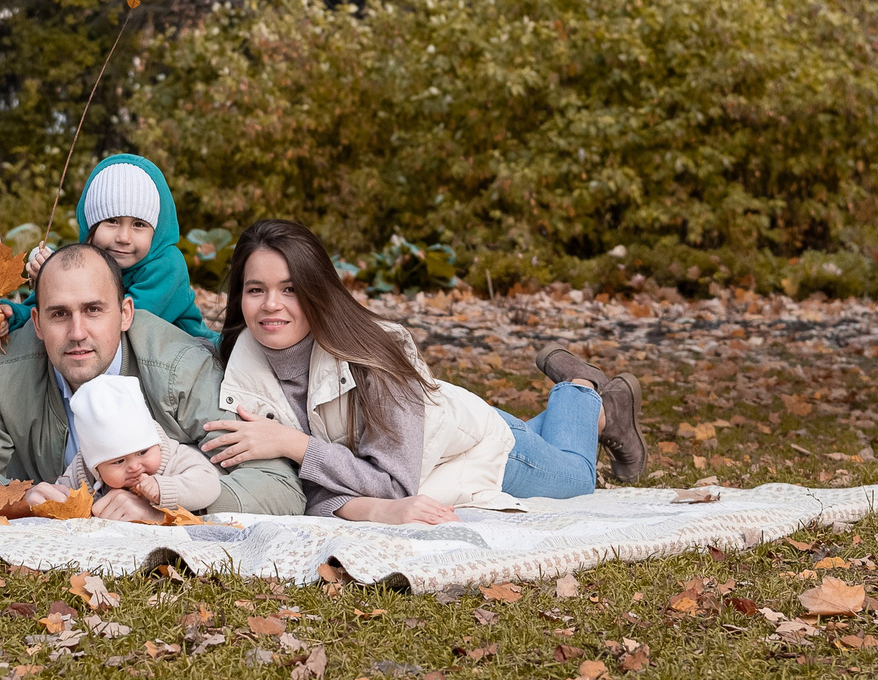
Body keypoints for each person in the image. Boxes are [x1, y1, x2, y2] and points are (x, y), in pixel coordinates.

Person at [199, 219, 646, 523]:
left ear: (318, 292)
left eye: (290, 289)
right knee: (560, 453)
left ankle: (581, 392)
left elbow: (392, 485)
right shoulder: (240, 369)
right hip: (428, 450)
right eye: (256, 290)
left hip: (474, 447)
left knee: (575, 479)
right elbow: (305, 490)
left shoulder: (373, 354)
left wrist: (293, 444)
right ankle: (598, 412)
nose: (271, 305)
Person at [0, 241, 303, 519]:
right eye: (59, 314)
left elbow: (279, 486)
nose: (77, 333)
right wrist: (18, 500)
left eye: (93, 310)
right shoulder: (5, 369)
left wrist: (166, 509)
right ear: (37, 323)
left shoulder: (180, 368)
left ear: (125, 313)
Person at [74, 153, 215, 343]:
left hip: (184, 351)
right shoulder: (82, 262)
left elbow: (128, 322)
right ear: (90, 225)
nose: (124, 238)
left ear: (155, 232)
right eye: (112, 221)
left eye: (139, 224)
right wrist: (47, 281)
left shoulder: (167, 264)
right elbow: (43, 312)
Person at [58, 373, 223, 513]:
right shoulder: (81, 473)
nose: (134, 467)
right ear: (96, 468)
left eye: (142, 452)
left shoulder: (175, 458)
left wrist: (165, 489)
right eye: (118, 461)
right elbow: (61, 493)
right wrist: (56, 498)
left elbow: (209, 484)